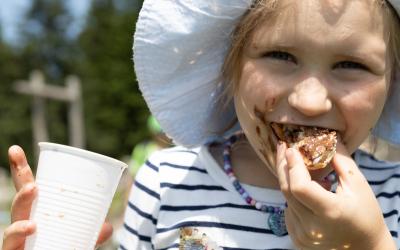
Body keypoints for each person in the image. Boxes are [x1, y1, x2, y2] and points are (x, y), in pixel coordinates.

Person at [3, 0, 400, 249]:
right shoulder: (167, 182)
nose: (310, 102)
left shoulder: (393, 198)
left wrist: (369, 245)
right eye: (280, 55)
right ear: (230, 68)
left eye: (352, 65)